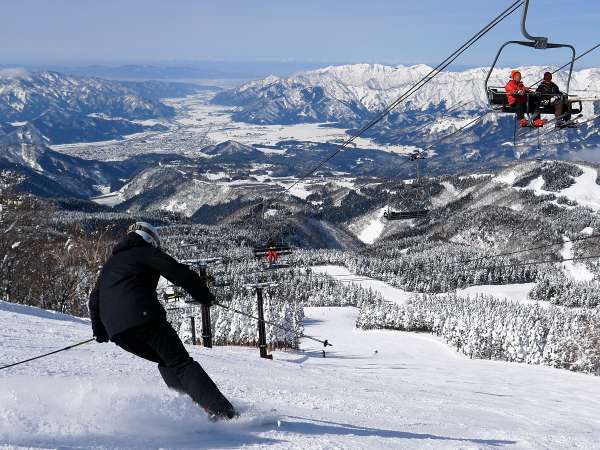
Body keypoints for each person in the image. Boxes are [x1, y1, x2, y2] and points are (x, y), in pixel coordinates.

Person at [88, 222, 237, 421]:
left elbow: (94, 299)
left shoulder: (110, 264)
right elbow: (179, 273)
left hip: (118, 333)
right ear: (150, 239)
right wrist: (204, 296)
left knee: (167, 361)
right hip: (144, 319)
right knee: (181, 363)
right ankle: (223, 414)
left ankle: (189, 410)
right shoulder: (144, 251)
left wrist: (100, 330)